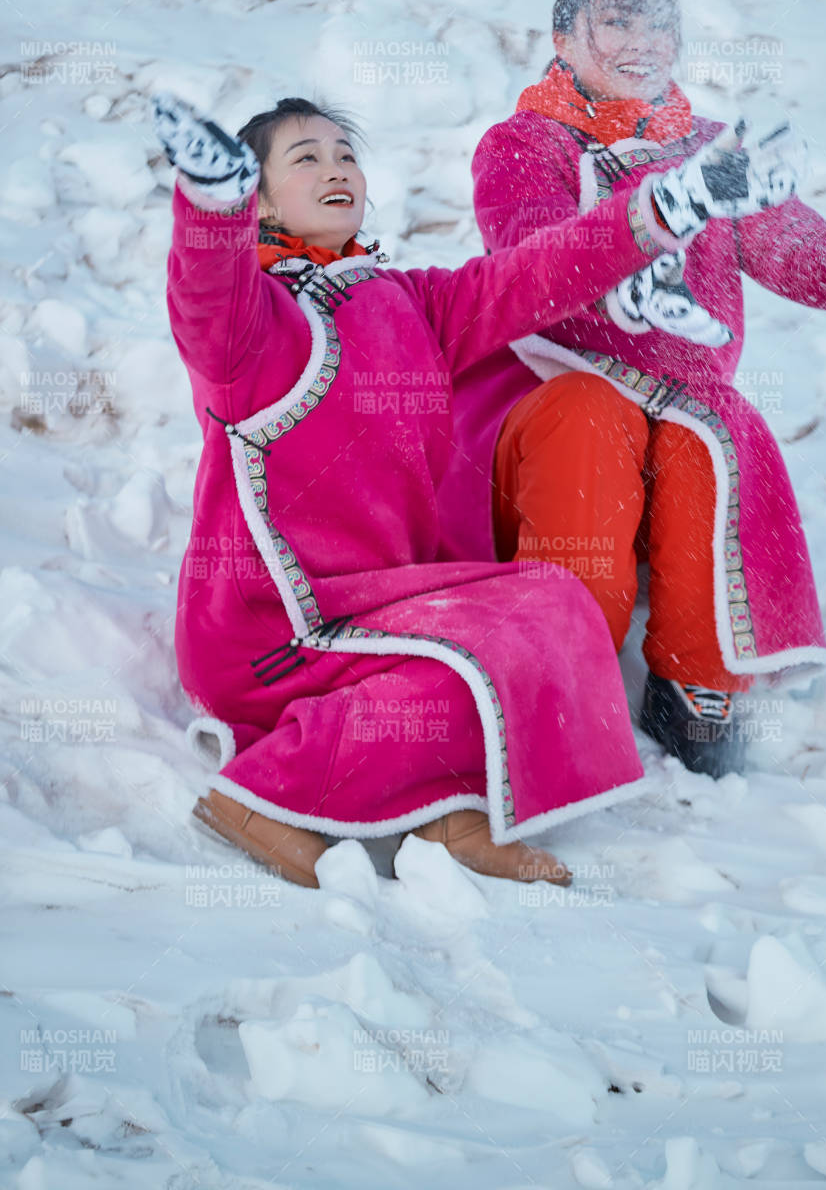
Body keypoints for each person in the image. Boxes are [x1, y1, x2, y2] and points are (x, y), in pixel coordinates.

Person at [154, 89, 792, 888]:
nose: (335, 169)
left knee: (548, 608)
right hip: (269, 621)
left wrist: (668, 205)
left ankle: (451, 817)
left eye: (345, 154)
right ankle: (263, 800)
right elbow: (203, 295)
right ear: (261, 199)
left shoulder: (406, 303)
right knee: (479, 655)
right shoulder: (258, 323)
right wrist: (211, 203)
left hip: (376, 608)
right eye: (305, 158)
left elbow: (530, 275)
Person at [468, 0, 826, 778]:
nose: (642, 41)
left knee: (718, 431)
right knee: (592, 427)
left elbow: (798, 248)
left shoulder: (708, 150)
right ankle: (563, 670)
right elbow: (528, 253)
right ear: (563, 37)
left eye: (658, 24)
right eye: (616, 21)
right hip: (565, 375)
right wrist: (625, 286)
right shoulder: (523, 143)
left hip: (686, 392)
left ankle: (696, 682)